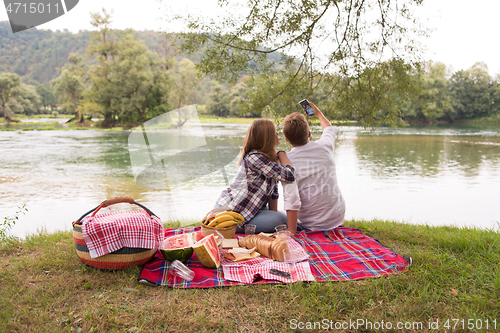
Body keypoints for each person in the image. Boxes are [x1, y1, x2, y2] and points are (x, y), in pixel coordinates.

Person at [213, 119, 295, 233]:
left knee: (285, 220)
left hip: (250, 207)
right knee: (280, 221)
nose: (277, 134)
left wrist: (273, 214)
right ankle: (233, 228)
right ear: (267, 137)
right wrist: (282, 153)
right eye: (274, 132)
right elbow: (289, 175)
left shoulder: (269, 158)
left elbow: (273, 194)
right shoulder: (254, 157)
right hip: (233, 213)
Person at [281, 102, 345, 234]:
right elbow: (328, 128)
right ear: (309, 134)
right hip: (336, 219)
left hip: (309, 224)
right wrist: (318, 113)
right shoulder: (325, 147)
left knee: (277, 217)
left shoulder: (286, 162)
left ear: (286, 140)